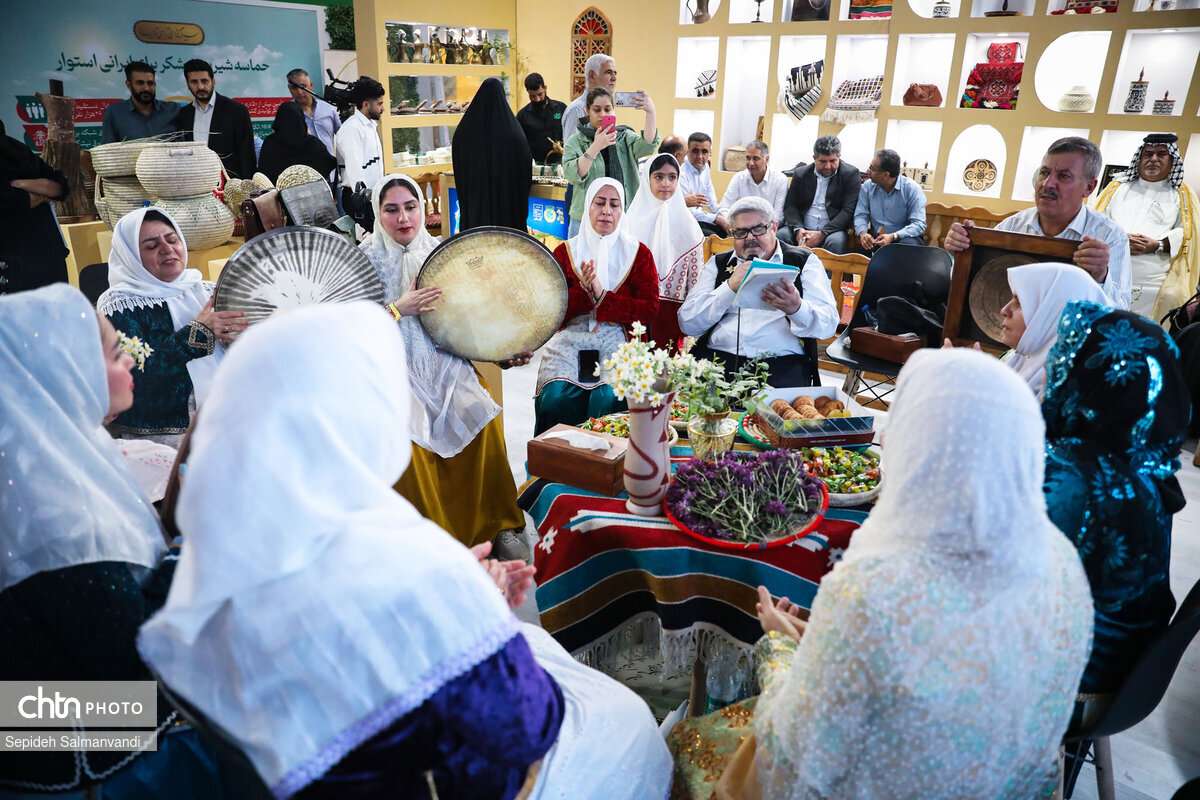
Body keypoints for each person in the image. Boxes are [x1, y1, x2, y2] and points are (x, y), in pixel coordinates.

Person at [137, 301, 672, 800]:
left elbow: (90, 722)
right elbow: (515, 731)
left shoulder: (199, 551)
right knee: (626, 723)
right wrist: (471, 604)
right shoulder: (400, 554)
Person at [668, 348, 1094, 799]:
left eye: (900, 423)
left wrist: (777, 646)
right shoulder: (1062, 563)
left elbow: (795, 756)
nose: (887, 440)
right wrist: (825, 639)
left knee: (685, 741)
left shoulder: (875, 588)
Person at [0, 284, 250, 798]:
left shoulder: (47, 458)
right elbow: (137, 663)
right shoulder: (53, 515)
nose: (130, 365)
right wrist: (196, 536)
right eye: (117, 353)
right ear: (62, 373)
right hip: (82, 765)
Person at [359, 173, 526, 551]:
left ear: (422, 208)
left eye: (410, 207)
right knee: (410, 439)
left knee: (480, 414)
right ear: (378, 214)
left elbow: (472, 321)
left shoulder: (443, 255)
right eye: (391, 210)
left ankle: (493, 524)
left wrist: (504, 354)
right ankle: (427, 540)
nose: (403, 218)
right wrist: (398, 308)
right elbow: (350, 330)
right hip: (391, 372)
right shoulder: (363, 260)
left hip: (444, 365)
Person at [1042, 302, 1187, 699]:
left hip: (1072, 677)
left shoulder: (1077, 476)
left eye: (1066, 356)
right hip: (1124, 665)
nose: (1052, 367)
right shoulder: (1142, 460)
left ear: (1096, 376)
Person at [97, 208, 245, 446]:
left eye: (172, 239)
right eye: (151, 246)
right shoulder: (120, 305)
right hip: (165, 433)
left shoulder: (205, 289)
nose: (167, 249)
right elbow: (136, 378)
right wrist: (196, 334)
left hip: (229, 414)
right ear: (131, 256)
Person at [945, 136, 1132, 310]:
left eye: (1063, 176)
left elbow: (1120, 312)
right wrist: (962, 255)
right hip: (1004, 337)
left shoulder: (1109, 236)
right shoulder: (1012, 227)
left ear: (1089, 187)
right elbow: (972, 288)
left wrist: (1100, 276)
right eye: (1044, 172)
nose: (1047, 183)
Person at [534, 178, 660, 434]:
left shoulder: (638, 253)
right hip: (572, 336)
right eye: (599, 203)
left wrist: (603, 296)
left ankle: (605, 469)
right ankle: (555, 468)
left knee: (609, 399)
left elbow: (649, 309)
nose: (606, 211)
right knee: (556, 398)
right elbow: (549, 312)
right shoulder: (564, 252)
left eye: (614, 205)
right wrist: (582, 292)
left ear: (621, 211)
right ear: (586, 208)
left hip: (620, 337)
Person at [678, 196, 838, 386]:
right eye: (741, 232)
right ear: (732, 234)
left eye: (758, 229)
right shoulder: (719, 264)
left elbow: (828, 325)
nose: (750, 238)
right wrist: (728, 288)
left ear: (775, 228)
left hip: (780, 365)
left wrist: (797, 308)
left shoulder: (804, 261)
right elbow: (688, 323)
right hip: (717, 361)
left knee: (772, 413)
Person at [1094, 133, 1198, 320]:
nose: (1154, 159)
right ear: (1139, 159)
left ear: (1172, 160)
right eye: (1148, 154)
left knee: (1173, 297)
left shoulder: (1182, 194)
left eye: (1161, 154)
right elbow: (1096, 221)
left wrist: (1157, 244)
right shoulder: (1115, 188)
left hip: (1156, 275)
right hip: (1111, 264)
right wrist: (1120, 239)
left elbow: (1189, 234)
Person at [626, 152, 705, 351]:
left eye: (672, 177)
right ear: (647, 180)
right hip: (634, 316)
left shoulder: (690, 227)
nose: (666, 183)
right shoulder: (629, 223)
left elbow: (695, 283)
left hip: (674, 318)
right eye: (658, 177)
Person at [999, 262, 1110, 398]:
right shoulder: (1014, 360)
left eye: (1021, 304)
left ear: (1053, 315)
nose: (1004, 310)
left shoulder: (1066, 392)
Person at [562, 86, 659, 236]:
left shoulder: (624, 137)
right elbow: (573, 174)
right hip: (585, 217)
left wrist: (650, 112)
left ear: (613, 110)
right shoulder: (576, 141)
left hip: (621, 214)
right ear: (587, 111)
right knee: (581, 259)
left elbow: (647, 147)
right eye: (597, 110)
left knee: (620, 258)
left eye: (607, 109)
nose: (602, 114)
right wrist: (596, 146)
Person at [452, 77, 533, 232]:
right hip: (507, 215)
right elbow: (525, 166)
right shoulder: (513, 132)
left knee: (476, 249)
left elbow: (460, 167)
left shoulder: (464, 132)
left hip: (475, 214)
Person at [0, 118, 69, 294]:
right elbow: (25, 200)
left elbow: (60, 187)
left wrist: (20, 184)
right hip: (43, 257)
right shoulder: (15, 149)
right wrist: (40, 193)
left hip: (18, 263)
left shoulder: (14, 150)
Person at [175, 59, 256, 180]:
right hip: (195, 184)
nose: (200, 86)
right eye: (194, 82)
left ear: (213, 81)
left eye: (204, 81)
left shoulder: (236, 111)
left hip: (229, 186)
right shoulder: (184, 114)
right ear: (188, 85)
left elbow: (247, 156)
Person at [778, 134, 861, 254]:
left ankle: (828, 274)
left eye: (833, 161)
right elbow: (791, 206)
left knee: (835, 242)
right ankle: (785, 273)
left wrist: (823, 233)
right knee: (781, 236)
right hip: (803, 228)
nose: (828, 166)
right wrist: (798, 230)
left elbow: (848, 210)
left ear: (839, 157)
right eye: (822, 161)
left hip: (832, 231)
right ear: (814, 158)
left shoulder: (850, 174)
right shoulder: (801, 174)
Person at [853, 147, 926, 253]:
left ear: (886, 175)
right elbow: (861, 214)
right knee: (859, 258)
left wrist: (893, 236)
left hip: (903, 239)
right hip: (876, 238)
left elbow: (919, 224)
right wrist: (863, 233)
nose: (868, 171)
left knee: (906, 249)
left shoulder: (912, 189)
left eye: (872, 168)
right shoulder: (868, 187)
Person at [256, 101, 338, 185]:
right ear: (301, 119)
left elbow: (263, 175)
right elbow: (328, 164)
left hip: (277, 196)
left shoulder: (270, 143)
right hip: (310, 195)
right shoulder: (313, 144)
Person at [100, 61, 181, 144]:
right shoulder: (114, 113)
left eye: (150, 83)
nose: (146, 88)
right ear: (128, 85)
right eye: (140, 83)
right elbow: (107, 150)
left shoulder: (173, 110)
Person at [716, 140, 788, 229]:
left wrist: (758, 228)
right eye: (748, 158)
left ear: (767, 159)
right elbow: (724, 207)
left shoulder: (780, 180)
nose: (751, 163)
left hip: (767, 228)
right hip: (742, 227)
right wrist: (731, 223)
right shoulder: (739, 178)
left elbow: (778, 216)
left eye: (756, 158)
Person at [286, 68, 341, 181]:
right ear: (289, 89)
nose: (300, 92)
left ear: (311, 85)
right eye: (294, 88)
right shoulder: (288, 114)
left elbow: (343, 136)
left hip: (331, 176)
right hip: (305, 179)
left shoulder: (329, 109)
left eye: (303, 86)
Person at [336, 76, 386, 197]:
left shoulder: (369, 126)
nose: (383, 108)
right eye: (379, 104)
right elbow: (355, 171)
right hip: (358, 198)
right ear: (366, 104)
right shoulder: (352, 128)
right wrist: (362, 200)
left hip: (372, 195)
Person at [561, 53, 618, 148]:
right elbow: (571, 156)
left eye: (615, 73)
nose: (614, 78)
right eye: (609, 72)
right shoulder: (577, 110)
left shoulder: (608, 107)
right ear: (592, 75)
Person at [679, 132, 725, 237]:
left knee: (723, 231)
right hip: (683, 221)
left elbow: (712, 203)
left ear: (710, 153)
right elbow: (688, 211)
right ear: (687, 151)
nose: (700, 156)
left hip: (697, 219)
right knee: (713, 236)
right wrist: (717, 218)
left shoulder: (706, 169)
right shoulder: (681, 171)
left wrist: (726, 218)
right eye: (695, 151)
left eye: (704, 152)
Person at [516, 72, 567, 164]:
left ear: (545, 88)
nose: (537, 99)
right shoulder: (522, 116)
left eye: (540, 94)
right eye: (532, 96)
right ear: (527, 92)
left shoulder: (561, 108)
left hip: (560, 163)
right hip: (535, 165)